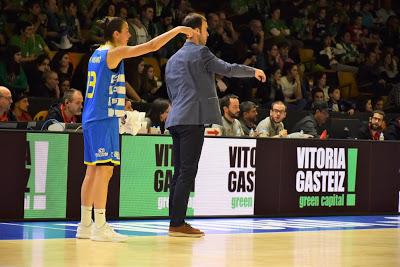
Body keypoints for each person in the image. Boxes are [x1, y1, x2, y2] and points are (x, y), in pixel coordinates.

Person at [77, 16, 194, 242]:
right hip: (103, 119)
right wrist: (178, 29)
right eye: (127, 31)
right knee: (104, 171)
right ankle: (100, 225)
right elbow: (150, 46)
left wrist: (119, 102)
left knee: (92, 171)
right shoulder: (114, 52)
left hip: (94, 116)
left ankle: (84, 225)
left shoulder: (97, 53)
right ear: (116, 34)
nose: (130, 35)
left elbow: (104, 86)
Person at [165, 13, 266, 237]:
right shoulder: (201, 52)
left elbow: (171, 92)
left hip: (176, 118)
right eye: (206, 29)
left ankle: (174, 222)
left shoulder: (172, 59)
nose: (208, 33)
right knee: (187, 172)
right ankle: (178, 224)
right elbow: (228, 69)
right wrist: (253, 71)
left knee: (178, 172)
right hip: (193, 118)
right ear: (194, 31)